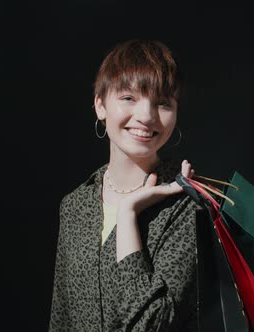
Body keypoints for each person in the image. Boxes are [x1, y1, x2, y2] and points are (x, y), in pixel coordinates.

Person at [48, 39, 201, 331]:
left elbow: (153, 324)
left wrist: (128, 213)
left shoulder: (187, 206)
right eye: (129, 98)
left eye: (163, 103)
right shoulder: (75, 206)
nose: (146, 116)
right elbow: (61, 320)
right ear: (100, 105)